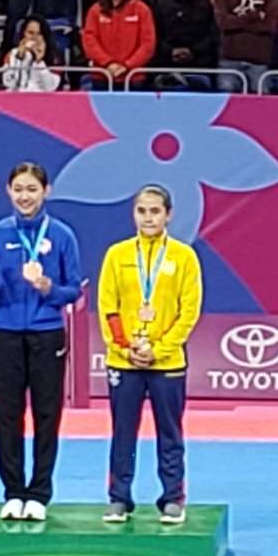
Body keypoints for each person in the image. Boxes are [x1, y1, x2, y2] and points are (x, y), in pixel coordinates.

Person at [0, 162, 83, 520]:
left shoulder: (62, 236)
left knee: (47, 415)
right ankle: (13, 491)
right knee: (7, 415)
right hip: (4, 333)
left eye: (32, 189)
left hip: (47, 333)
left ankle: (39, 493)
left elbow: (73, 291)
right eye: (18, 189)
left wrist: (48, 288)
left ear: (46, 192)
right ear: (8, 191)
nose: (25, 196)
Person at [96, 184, 204, 525]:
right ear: (134, 214)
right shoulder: (117, 255)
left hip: (167, 363)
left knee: (169, 432)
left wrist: (159, 349)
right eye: (142, 211)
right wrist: (126, 349)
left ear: (168, 214)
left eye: (155, 211)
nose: (148, 218)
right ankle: (119, 498)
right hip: (124, 362)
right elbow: (107, 307)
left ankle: (172, 497)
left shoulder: (184, 257)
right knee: (122, 431)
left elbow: (189, 311)